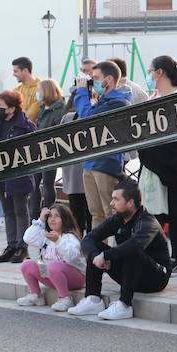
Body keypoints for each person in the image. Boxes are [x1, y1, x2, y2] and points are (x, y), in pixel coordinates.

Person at [70, 181, 172, 320]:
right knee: (96, 247)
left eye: (116, 199)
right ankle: (93, 299)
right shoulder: (118, 219)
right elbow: (89, 238)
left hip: (155, 278)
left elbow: (135, 246)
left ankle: (124, 305)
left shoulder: (148, 222)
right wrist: (96, 256)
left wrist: (106, 255)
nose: (111, 203)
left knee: (132, 250)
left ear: (130, 203)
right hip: (129, 275)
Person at [141, 55, 177, 273]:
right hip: (155, 160)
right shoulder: (152, 98)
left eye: (151, 70)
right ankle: (157, 254)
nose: (149, 75)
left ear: (160, 72)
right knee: (154, 207)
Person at [72, 61, 131, 228]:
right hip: (90, 161)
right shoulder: (102, 101)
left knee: (110, 211)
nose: (93, 81)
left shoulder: (119, 102)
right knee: (95, 213)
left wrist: (82, 92)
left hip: (106, 162)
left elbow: (88, 120)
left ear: (109, 79)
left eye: (96, 78)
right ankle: (97, 250)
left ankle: (113, 252)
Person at [0, 90, 35, 263]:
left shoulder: (26, 125)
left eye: (2, 106)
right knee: (7, 212)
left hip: (19, 175)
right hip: (0, 175)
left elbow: (31, 151)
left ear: (12, 108)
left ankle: (22, 247)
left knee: (20, 211)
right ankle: (11, 245)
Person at [17, 204, 85, 311]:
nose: (52, 219)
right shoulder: (47, 236)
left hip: (75, 279)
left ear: (65, 219)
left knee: (53, 266)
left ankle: (65, 298)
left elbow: (71, 257)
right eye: (50, 216)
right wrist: (40, 220)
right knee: (27, 264)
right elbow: (28, 238)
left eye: (57, 216)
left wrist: (58, 241)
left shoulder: (69, 237)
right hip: (52, 276)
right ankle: (36, 295)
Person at [28, 79, 66, 219]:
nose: (37, 93)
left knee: (48, 183)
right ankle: (34, 216)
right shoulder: (43, 108)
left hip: (50, 150)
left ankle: (47, 213)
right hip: (39, 150)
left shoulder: (60, 109)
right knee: (34, 183)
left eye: (39, 90)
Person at [58, 111, 91, 234]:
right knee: (89, 215)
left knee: (78, 216)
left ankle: (79, 243)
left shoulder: (67, 118)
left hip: (75, 174)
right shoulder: (68, 118)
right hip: (82, 173)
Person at [11, 56, 43, 121]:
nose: (13, 74)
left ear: (25, 71)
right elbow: (10, 113)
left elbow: (31, 117)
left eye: (16, 71)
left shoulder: (41, 88)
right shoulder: (16, 91)